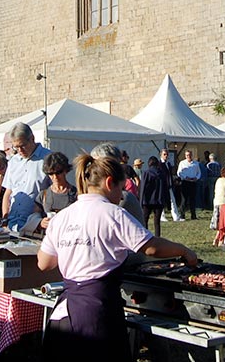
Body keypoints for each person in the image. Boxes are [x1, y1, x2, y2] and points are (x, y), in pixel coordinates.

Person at [37, 153, 198, 361]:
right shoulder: (112, 213)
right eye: (121, 189)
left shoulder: (62, 217)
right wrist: (184, 251)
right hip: (96, 314)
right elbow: (150, 247)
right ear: (109, 182)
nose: (121, 196)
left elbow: (44, 262)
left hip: (63, 314)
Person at [2, 123, 51, 231]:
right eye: (16, 147)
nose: (20, 150)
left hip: (35, 224)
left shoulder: (48, 158)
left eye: (22, 145)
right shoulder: (13, 161)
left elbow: (55, 191)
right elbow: (8, 193)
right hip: (12, 223)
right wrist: (5, 219)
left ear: (32, 139)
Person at [35, 151, 77, 230]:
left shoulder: (76, 194)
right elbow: (34, 216)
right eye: (51, 173)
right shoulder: (43, 195)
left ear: (65, 171)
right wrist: (40, 222)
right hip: (47, 238)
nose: (55, 177)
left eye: (58, 172)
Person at [139, 156, 170, 236]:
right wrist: (167, 201)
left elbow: (142, 188)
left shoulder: (146, 173)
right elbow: (166, 188)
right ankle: (157, 238)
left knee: (145, 220)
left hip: (147, 200)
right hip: (159, 200)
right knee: (157, 222)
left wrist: (141, 201)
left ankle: (145, 236)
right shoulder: (162, 174)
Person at [176, 149, 201, 220]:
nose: (188, 156)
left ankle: (193, 215)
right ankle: (182, 215)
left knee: (192, 199)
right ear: (185, 156)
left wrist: (196, 178)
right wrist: (185, 177)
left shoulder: (196, 163)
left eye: (189, 155)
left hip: (193, 182)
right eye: (187, 155)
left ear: (191, 155)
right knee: (184, 200)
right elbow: (179, 173)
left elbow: (199, 173)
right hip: (185, 182)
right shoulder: (182, 163)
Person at [159, 148, 182, 222]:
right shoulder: (159, 164)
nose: (166, 156)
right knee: (162, 200)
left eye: (167, 154)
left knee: (173, 200)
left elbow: (169, 174)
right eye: (164, 154)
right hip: (162, 185)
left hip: (169, 185)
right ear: (161, 155)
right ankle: (161, 216)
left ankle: (176, 216)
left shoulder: (168, 164)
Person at [210, 166, 225, 231]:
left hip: (216, 200)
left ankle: (215, 225)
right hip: (224, 201)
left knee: (216, 214)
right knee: (222, 216)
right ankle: (222, 226)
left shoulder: (218, 180)